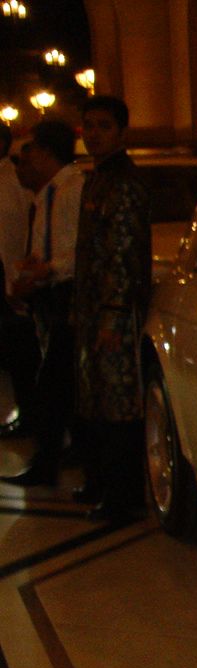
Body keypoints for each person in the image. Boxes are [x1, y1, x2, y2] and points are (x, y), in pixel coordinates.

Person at [71, 95, 151, 521]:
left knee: (118, 404)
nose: (95, 134)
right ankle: (101, 481)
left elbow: (122, 254)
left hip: (113, 314)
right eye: (89, 126)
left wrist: (113, 314)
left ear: (122, 132)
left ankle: (124, 495)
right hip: (92, 310)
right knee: (95, 401)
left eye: (104, 125)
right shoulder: (97, 178)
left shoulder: (123, 183)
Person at [2, 120, 83, 487]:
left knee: (52, 384)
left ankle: (49, 460)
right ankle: (64, 453)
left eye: (30, 150)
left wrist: (45, 269)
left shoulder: (71, 190)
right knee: (55, 382)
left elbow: (75, 251)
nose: (25, 158)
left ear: (47, 152)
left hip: (66, 295)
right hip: (47, 294)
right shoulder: (46, 193)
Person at [0, 125, 35, 437]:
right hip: (11, 280)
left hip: (11, 282)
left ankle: (29, 417)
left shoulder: (10, 182)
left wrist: (13, 282)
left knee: (20, 357)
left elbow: (11, 238)